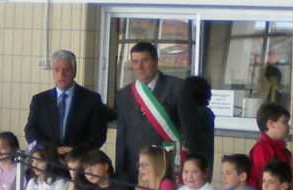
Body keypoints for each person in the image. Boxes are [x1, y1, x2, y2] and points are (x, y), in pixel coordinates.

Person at [113, 41, 187, 181]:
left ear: (156, 61)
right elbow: (122, 137)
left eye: (145, 61)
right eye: (135, 62)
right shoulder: (124, 94)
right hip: (134, 169)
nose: (139, 67)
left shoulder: (178, 88)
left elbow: (185, 130)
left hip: (166, 168)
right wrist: (120, 174)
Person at [24, 50, 108, 159]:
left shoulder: (91, 99)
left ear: (74, 71)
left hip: (79, 161)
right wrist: (52, 149)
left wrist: (75, 151)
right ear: (52, 72)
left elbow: (98, 135)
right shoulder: (39, 100)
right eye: (56, 70)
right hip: (48, 160)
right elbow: (30, 130)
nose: (61, 74)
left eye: (66, 70)